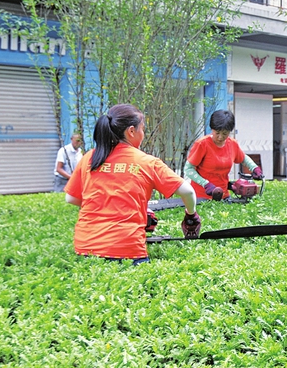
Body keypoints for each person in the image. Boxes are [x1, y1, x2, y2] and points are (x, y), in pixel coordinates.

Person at [65, 104, 200, 265]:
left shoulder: (89, 158)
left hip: (85, 249)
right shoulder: (147, 162)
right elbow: (188, 192)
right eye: (142, 129)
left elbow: (71, 198)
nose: (143, 134)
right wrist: (191, 215)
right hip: (127, 251)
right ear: (131, 131)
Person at [184, 110, 263, 201]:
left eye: (225, 133)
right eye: (217, 133)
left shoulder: (232, 144)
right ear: (211, 129)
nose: (220, 137)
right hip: (201, 197)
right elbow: (188, 169)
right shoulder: (202, 144)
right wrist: (205, 184)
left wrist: (254, 168)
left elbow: (243, 158)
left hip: (224, 196)